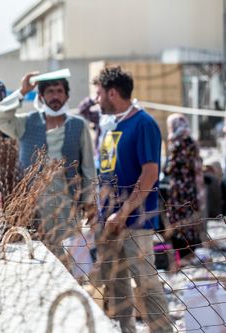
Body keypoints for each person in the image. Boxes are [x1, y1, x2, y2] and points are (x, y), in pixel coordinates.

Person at [93, 66, 172, 333]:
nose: (96, 99)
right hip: (111, 223)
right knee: (118, 289)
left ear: (112, 93)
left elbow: (149, 175)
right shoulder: (111, 126)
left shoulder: (143, 124)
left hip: (135, 223)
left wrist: (124, 212)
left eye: (99, 93)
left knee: (146, 285)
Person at [0, 71, 96, 260]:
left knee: (66, 257)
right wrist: (22, 92)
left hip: (66, 202)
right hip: (31, 203)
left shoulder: (78, 126)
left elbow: (88, 168)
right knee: (35, 253)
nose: (55, 96)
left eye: (59, 91)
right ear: (41, 96)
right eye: (50, 92)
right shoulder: (26, 123)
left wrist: (90, 203)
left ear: (66, 96)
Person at [164, 113, 206, 259]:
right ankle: (190, 252)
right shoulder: (191, 141)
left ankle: (183, 254)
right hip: (191, 188)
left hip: (179, 190)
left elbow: (169, 168)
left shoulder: (178, 142)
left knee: (179, 221)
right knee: (189, 220)